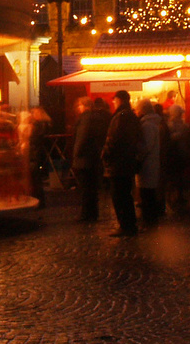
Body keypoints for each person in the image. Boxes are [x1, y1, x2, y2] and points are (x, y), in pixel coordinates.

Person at [103, 89, 142, 236]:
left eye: (115, 99)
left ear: (119, 100)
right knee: (125, 194)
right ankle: (129, 224)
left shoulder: (121, 116)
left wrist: (106, 154)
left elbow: (114, 139)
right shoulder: (131, 115)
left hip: (119, 163)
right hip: (128, 161)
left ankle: (126, 226)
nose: (113, 102)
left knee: (119, 195)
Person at [71, 95, 111, 222]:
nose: (78, 108)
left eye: (79, 105)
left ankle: (86, 214)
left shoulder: (86, 119)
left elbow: (81, 138)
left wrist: (75, 154)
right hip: (94, 157)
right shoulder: (99, 118)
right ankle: (93, 213)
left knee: (86, 188)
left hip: (84, 158)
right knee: (92, 188)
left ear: (85, 106)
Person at [137, 99, 166, 226]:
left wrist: (138, 157)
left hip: (148, 165)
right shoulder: (153, 124)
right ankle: (150, 220)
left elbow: (146, 146)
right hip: (152, 163)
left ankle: (149, 221)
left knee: (147, 195)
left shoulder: (147, 126)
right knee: (149, 193)